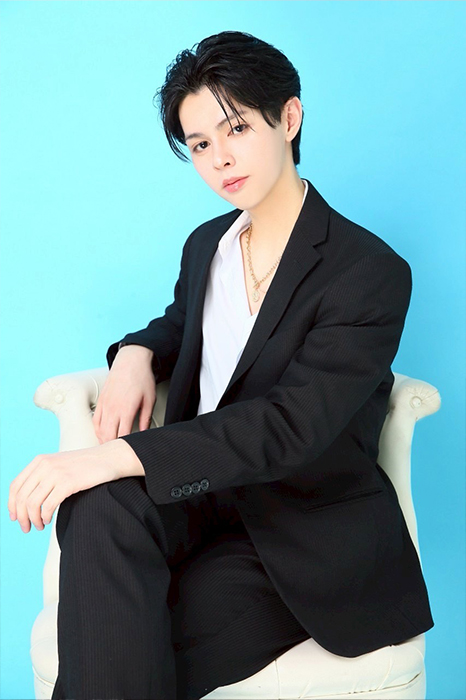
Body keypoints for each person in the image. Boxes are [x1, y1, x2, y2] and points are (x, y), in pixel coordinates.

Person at [8, 30, 434, 700]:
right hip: (200, 499)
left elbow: (290, 425)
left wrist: (116, 455)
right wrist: (135, 353)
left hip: (297, 532)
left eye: (235, 129)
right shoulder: (207, 243)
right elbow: (180, 326)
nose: (219, 159)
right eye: (200, 144)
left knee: (120, 641)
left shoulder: (368, 272)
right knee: (99, 508)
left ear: (289, 117)